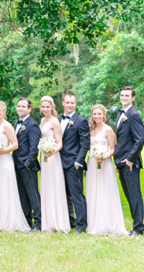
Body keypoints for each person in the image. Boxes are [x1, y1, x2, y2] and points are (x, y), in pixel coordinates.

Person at [0, 100, 30, 233]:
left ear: (4, 111)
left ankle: (8, 221)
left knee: (5, 189)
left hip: (4, 161)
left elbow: (15, 145)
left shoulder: (7, 126)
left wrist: (1, 151)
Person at [87, 104, 128, 236]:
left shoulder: (108, 130)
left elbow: (112, 149)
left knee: (105, 191)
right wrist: (94, 155)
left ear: (104, 115)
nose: (97, 117)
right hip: (92, 164)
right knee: (93, 190)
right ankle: (93, 223)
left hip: (105, 165)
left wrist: (104, 156)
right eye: (94, 114)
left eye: (99, 114)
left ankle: (107, 224)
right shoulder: (90, 129)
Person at [113, 86, 144, 236]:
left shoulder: (133, 115)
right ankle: (136, 226)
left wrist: (130, 159)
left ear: (133, 98)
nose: (124, 98)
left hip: (130, 163)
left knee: (134, 195)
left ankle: (139, 228)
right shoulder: (122, 114)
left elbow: (140, 139)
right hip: (121, 162)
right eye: (122, 95)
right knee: (128, 195)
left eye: (127, 96)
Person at [38, 96, 70, 233]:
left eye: (47, 107)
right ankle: (47, 222)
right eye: (43, 107)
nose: (45, 109)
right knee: (45, 186)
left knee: (53, 186)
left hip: (52, 157)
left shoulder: (55, 122)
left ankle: (57, 222)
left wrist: (51, 152)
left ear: (52, 107)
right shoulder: (41, 120)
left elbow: (60, 143)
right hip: (43, 157)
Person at [59, 92, 89, 233]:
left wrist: (79, 161)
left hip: (73, 163)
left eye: (72, 103)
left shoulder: (81, 121)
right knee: (64, 194)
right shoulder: (57, 120)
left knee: (76, 194)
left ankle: (82, 224)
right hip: (58, 164)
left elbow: (85, 144)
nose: (70, 105)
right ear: (63, 103)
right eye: (67, 102)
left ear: (75, 104)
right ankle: (70, 221)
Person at [13, 97, 41, 231]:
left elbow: (34, 147)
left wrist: (28, 163)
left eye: (23, 106)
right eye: (19, 106)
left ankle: (39, 222)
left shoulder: (32, 125)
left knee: (33, 194)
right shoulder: (15, 124)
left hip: (27, 166)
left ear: (29, 109)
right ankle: (26, 221)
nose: (20, 109)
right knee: (22, 195)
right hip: (16, 165)